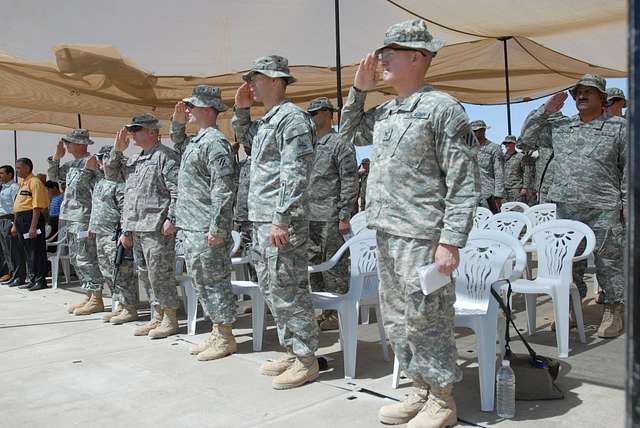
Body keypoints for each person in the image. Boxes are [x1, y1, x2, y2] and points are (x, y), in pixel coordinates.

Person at [339, 20, 478, 427]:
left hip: (423, 235)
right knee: (398, 317)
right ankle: (419, 387)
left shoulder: (443, 109)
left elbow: (463, 179)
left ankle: (442, 399)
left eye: (390, 53)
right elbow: (345, 135)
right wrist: (358, 91)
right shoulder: (386, 110)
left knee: (427, 317)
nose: (380, 59)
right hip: (387, 231)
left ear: (416, 57)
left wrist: (451, 240)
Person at [233, 55, 320, 390]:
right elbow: (248, 142)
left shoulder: (293, 119)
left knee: (289, 288)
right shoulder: (269, 119)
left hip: (281, 220)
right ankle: (292, 349)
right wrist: (241, 111)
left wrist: (281, 217)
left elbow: (295, 172)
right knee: (271, 288)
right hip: (263, 218)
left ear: (274, 79)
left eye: (255, 78)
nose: (250, 85)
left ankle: (306, 359)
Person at [520, 74, 626, 338]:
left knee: (609, 261)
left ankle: (614, 311)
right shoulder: (561, 128)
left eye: (589, 91)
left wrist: (627, 205)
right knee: (568, 262)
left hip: (604, 206)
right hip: (567, 207)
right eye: (578, 92)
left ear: (602, 98)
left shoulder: (619, 128)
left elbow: (629, 171)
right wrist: (544, 111)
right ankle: (571, 309)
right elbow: (526, 140)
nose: (581, 95)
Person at [171, 85, 238, 361]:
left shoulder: (215, 143)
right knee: (201, 280)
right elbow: (178, 144)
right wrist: (176, 124)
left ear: (209, 110)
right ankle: (216, 330)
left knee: (214, 281)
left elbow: (223, 189)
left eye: (192, 106)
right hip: (192, 225)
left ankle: (225, 336)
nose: (188, 110)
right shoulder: (197, 141)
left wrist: (218, 228)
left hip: (206, 227)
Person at [104, 113, 181, 339]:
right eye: (131, 129)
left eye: (137, 129)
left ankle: (170, 318)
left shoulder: (166, 157)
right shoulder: (137, 160)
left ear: (152, 132)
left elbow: (177, 190)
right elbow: (111, 174)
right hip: (138, 227)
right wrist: (117, 150)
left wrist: (172, 219)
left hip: (157, 228)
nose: (132, 134)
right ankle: (156, 316)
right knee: (146, 275)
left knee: (160, 274)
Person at [306, 96, 358, 330]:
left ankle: (336, 313)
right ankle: (323, 309)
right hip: (309, 216)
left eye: (316, 113)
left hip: (330, 216)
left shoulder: (340, 144)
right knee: (313, 265)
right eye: (311, 114)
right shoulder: (308, 145)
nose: (313, 118)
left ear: (328, 114)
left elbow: (350, 180)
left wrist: (344, 214)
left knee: (334, 266)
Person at [48, 129, 104, 314]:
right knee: (75, 257)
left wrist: (94, 222)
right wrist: (56, 157)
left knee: (85, 257)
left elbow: (98, 193)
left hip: (83, 216)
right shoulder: (72, 164)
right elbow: (54, 177)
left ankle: (96, 298)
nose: (67, 146)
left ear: (81, 143)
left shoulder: (93, 162)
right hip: (69, 216)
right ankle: (88, 294)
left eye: (69, 143)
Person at [84, 146, 138, 324]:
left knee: (122, 272)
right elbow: (95, 206)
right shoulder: (100, 182)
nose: (99, 163)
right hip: (101, 234)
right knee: (108, 272)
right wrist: (93, 226)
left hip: (115, 235)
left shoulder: (120, 184)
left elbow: (126, 211)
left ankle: (129, 307)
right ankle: (120, 305)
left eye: (102, 159)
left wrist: (125, 232)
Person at [12, 158, 49, 291]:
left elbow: (37, 206)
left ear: (27, 168)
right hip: (21, 219)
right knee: (28, 251)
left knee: (36, 250)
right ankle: (33, 278)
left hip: (31, 218)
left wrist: (33, 226)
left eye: (19, 168)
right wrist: (15, 224)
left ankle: (40, 280)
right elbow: (18, 205)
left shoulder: (35, 182)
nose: (17, 171)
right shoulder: (23, 183)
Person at [0, 165, 26, 287]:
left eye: (1, 173)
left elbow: (17, 207)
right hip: (1, 219)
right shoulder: (3, 188)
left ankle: (19, 276)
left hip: (10, 218)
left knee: (14, 249)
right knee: (6, 250)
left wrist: (15, 224)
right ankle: (12, 274)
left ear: (10, 174)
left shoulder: (14, 187)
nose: (0, 176)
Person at [471, 119, 504, 213]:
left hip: (489, 195)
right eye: (474, 131)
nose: (477, 133)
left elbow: (499, 172)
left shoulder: (494, 148)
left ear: (484, 131)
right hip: (471, 194)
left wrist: (498, 195)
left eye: (479, 130)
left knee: (492, 222)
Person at [501, 135, 528, 203]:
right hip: (504, 189)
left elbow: (526, 173)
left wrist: (525, 188)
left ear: (514, 144)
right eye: (505, 143)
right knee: (505, 211)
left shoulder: (521, 157)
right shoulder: (502, 158)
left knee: (517, 210)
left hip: (516, 189)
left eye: (509, 143)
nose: (507, 145)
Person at [45, 180, 64, 246]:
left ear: (55, 188)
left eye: (49, 189)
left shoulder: (61, 197)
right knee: (49, 233)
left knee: (54, 234)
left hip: (57, 219)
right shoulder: (53, 198)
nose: (48, 191)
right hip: (51, 218)